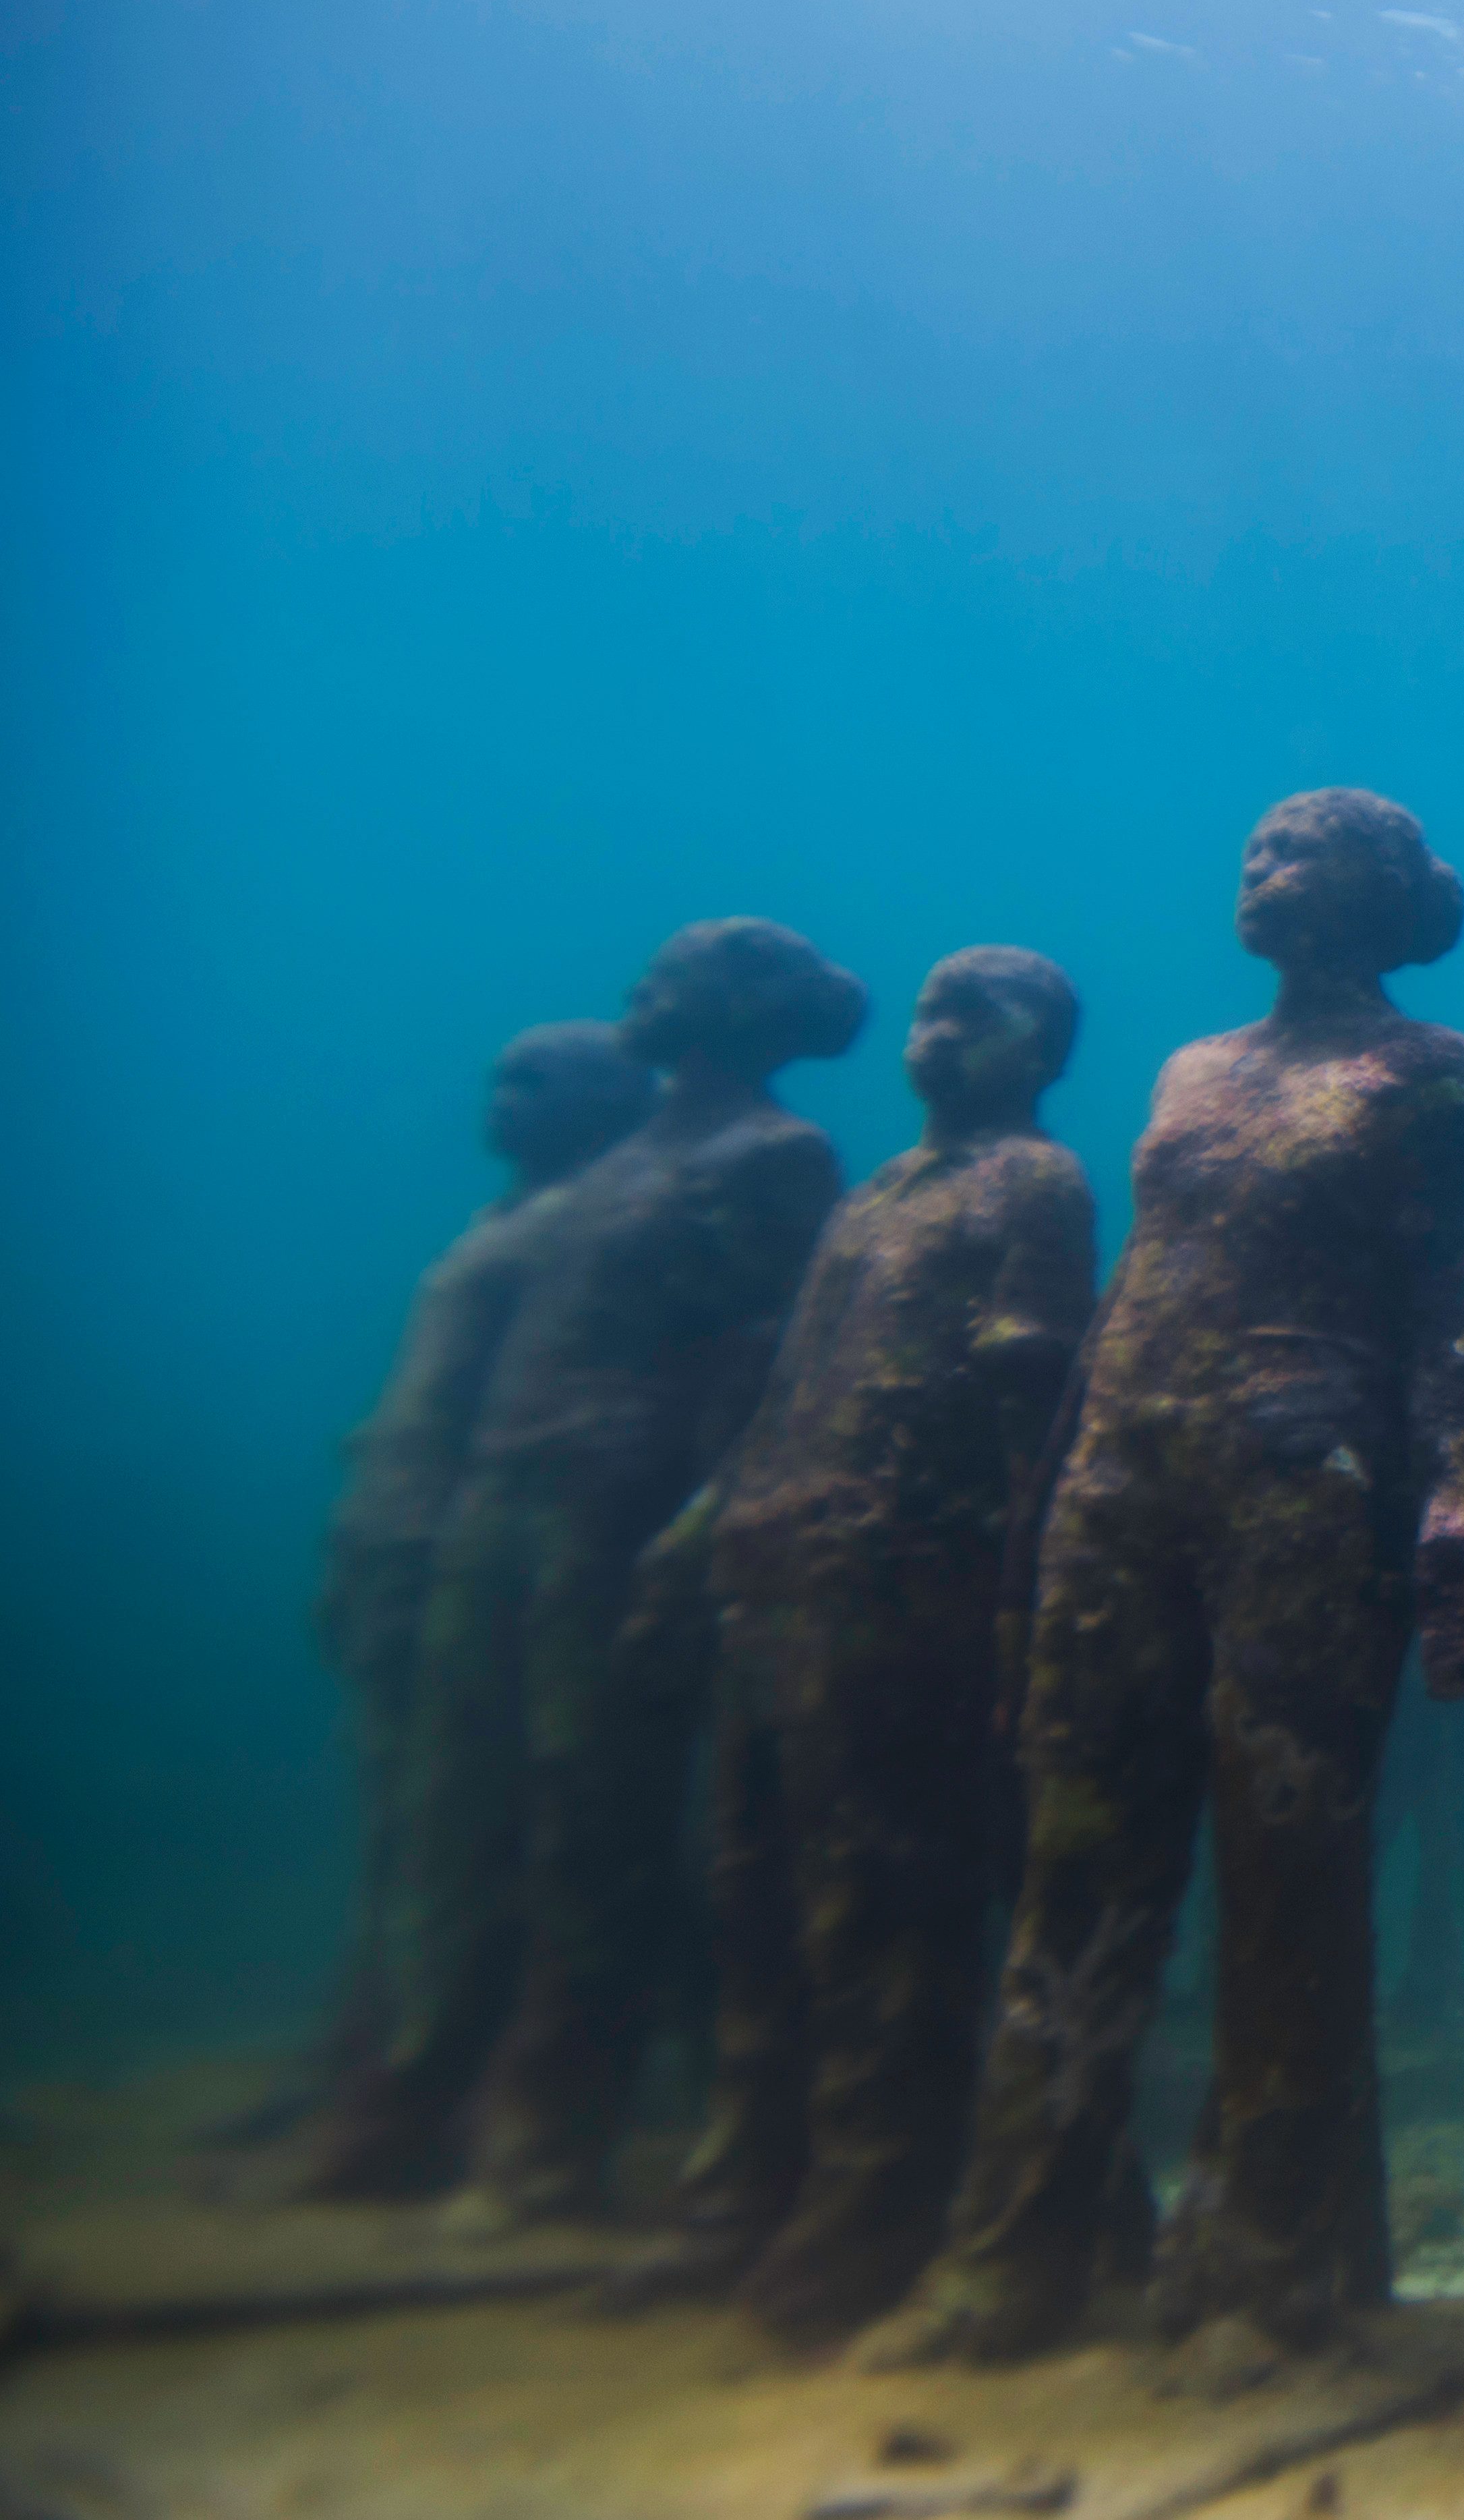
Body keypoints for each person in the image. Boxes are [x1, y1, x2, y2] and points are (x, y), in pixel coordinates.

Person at [863, 789, 1464, 2370]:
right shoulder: (1188, 1070)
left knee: (1288, 1858)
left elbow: (1453, 1298)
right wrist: (1042, 1517)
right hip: (1123, 1473)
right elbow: (1130, 1292)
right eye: (1252, 847)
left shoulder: (1436, 1076)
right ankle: (1020, 2251)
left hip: (1302, 1474)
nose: (1261, 865)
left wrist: (1462, 1493)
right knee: (1077, 1857)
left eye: (1299, 848)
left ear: (1374, 889)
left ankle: (1267, 2267)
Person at [334, 923, 862, 2226]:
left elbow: (764, 1362)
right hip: (500, 1501)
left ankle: (549, 2126)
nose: (643, 983)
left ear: (739, 1009)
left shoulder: (777, 1155)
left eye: (675, 972)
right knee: (455, 1806)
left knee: (593, 1813)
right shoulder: (609, 1162)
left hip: (614, 1504)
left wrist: (701, 1526)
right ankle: (419, 2092)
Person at [615, 948, 1097, 2347]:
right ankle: (740, 2188)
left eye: (972, 1012)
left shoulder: (1036, 1187)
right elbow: (782, 1393)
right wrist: (695, 1534)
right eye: (928, 1008)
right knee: (752, 1895)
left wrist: (1019, 1602)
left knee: (877, 1906)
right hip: (776, 1578)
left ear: (1042, 1046)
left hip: (905, 1588)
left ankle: (873, 2205)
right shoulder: (870, 1197)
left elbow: (1033, 1404)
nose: (932, 1034)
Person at [289, 1023, 652, 2190]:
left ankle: (426, 2089)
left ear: (605, 1101)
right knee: (403, 1814)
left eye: (534, 1080)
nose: (503, 1097)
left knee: (465, 1818)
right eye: (502, 1075)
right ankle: (370, 2058)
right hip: (404, 1530)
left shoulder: (580, 1219)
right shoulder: (508, 1214)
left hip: (478, 1536)